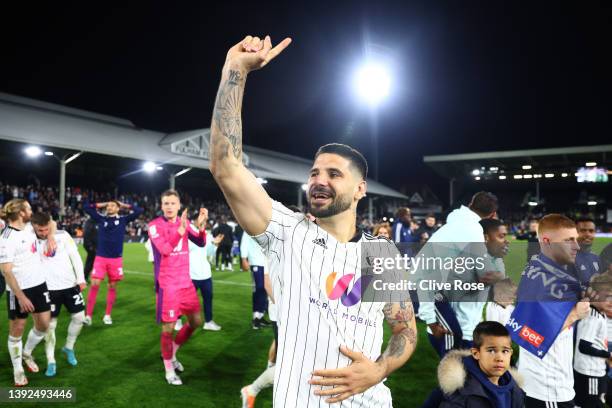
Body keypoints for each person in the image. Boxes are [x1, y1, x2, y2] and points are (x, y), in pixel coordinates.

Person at [209, 34, 417, 406]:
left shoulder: (382, 253)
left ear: (360, 189)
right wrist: (235, 70)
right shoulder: (286, 232)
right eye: (315, 172)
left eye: (334, 174)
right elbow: (226, 166)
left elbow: (405, 329)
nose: (319, 180)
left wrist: (379, 369)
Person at [509, 214, 591, 408]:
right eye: (568, 240)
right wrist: (575, 315)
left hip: (544, 383)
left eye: (575, 239)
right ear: (546, 241)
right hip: (548, 388)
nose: (576, 246)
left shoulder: (538, 270)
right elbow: (531, 335)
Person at [417, 192, 499, 357]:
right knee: (457, 378)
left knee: (463, 378)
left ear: (470, 204)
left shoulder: (447, 230)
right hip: (457, 326)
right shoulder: (474, 232)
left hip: (451, 321)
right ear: (493, 214)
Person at [148, 190, 208, 385]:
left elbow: (200, 241)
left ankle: (172, 353)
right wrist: (180, 232)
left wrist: (201, 225)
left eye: (173, 203)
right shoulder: (154, 226)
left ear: (179, 205)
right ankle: (168, 370)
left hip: (186, 283)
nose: (169, 207)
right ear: (161, 205)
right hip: (168, 285)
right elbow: (165, 249)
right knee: (168, 328)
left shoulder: (185, 222)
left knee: (196, 321)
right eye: (166, 203)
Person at [0, 199, 52, 386]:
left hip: (39, 284)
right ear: (21, 212)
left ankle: (26, 353)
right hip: (18, 289)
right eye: (28, 208)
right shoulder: (6, 238)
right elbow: (6, 271)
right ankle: (17, 369)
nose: (32, 210)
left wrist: (51, 237)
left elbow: (50, 222)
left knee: (44, 324)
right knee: (17, 329)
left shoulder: (30, 226)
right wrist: (20, 296)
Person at [31, 212, 86, 377]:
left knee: (79, 318)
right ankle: (51, 361)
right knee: (50, 326)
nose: (43, 233)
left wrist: (81, 278)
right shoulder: (30, 238)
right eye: (40, 230)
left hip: (70, 285)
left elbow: (75, 256)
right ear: (34, 227)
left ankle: (69, 347)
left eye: (46, 229)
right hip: (48, 289)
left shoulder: (62, 235)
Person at [83, 199, 143, 325]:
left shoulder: (123, 220)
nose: (109, 207)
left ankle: (107, 315)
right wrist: (102, 204)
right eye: (108, 205)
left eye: (112, 205)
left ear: (118, 208)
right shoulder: (101, 219)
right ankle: (88, 316)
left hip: (116, 259)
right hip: (100, 258)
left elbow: (139, 210)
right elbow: (87, 207)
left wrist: (126, 205)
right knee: (94, 285)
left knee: (112, 286)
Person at [439, 321, 525, 408]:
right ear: (476, 353)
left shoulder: (514, 389)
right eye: (491, 351)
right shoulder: (461, 394)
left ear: (511, 353)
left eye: (505, 351)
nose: (500, 358)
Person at [241, 255, 277, 407]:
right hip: (284, 312)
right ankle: (252, 390)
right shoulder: (280, 245)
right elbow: (267, 281)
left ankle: (269, 371)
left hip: (289, 312)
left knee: (279, 344)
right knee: (292, 365)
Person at [573, 272, 612, 408]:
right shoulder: (593, 318)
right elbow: (583, 346)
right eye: (607, 297)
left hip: (594, 371)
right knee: (592, 404)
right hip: (590, 373)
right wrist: (608, 355)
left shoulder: (598, 315)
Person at [189, 215, 221, 331]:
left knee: (208, 299)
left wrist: (215, 244)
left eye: (205, 221)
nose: (203, 222)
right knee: (185, 301)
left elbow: (210, 253)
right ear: (195, 222)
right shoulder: (188, 234)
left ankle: (208, 321)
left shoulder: (207, 235)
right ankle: (177, 320)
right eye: (201, 220)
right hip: (191, 274)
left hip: (206, 274)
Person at [240, 232, 270, 330]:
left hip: (267, 261)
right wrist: (244, 259)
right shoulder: (249, 225)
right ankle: (256, 318)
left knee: (265, 289)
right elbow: (244, 242)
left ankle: (260, 316)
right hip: (256, 261)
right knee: (258, 288)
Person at [574, 217, 602, 283]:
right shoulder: (565, 259)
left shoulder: (597, 258)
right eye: (583, 230)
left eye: (591, 231)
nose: (587, 234)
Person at [82, 215, 97, 282]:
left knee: (92, 262)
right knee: (90, 262)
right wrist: (90, 246)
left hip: (95, 246)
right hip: (91, 246)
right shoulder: (90, 222)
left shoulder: (94, 222)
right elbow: (86, 234)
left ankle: (87, 276)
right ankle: (84, 277)